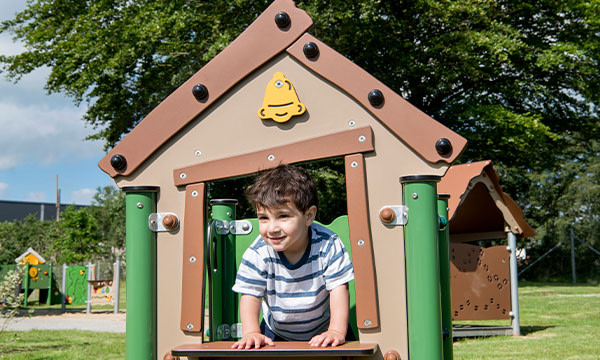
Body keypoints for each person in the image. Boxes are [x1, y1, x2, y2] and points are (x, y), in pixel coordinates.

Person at [231, 165, 354, 349]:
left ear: (308, 216)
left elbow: (338, 289)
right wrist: (251, 332)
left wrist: (336, 330)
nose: (272, 228)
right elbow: (250, 295)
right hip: (276, 331)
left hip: (324, 327)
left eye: (283, 216)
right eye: (264, 218)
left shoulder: (327, 245)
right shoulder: (258, 253)